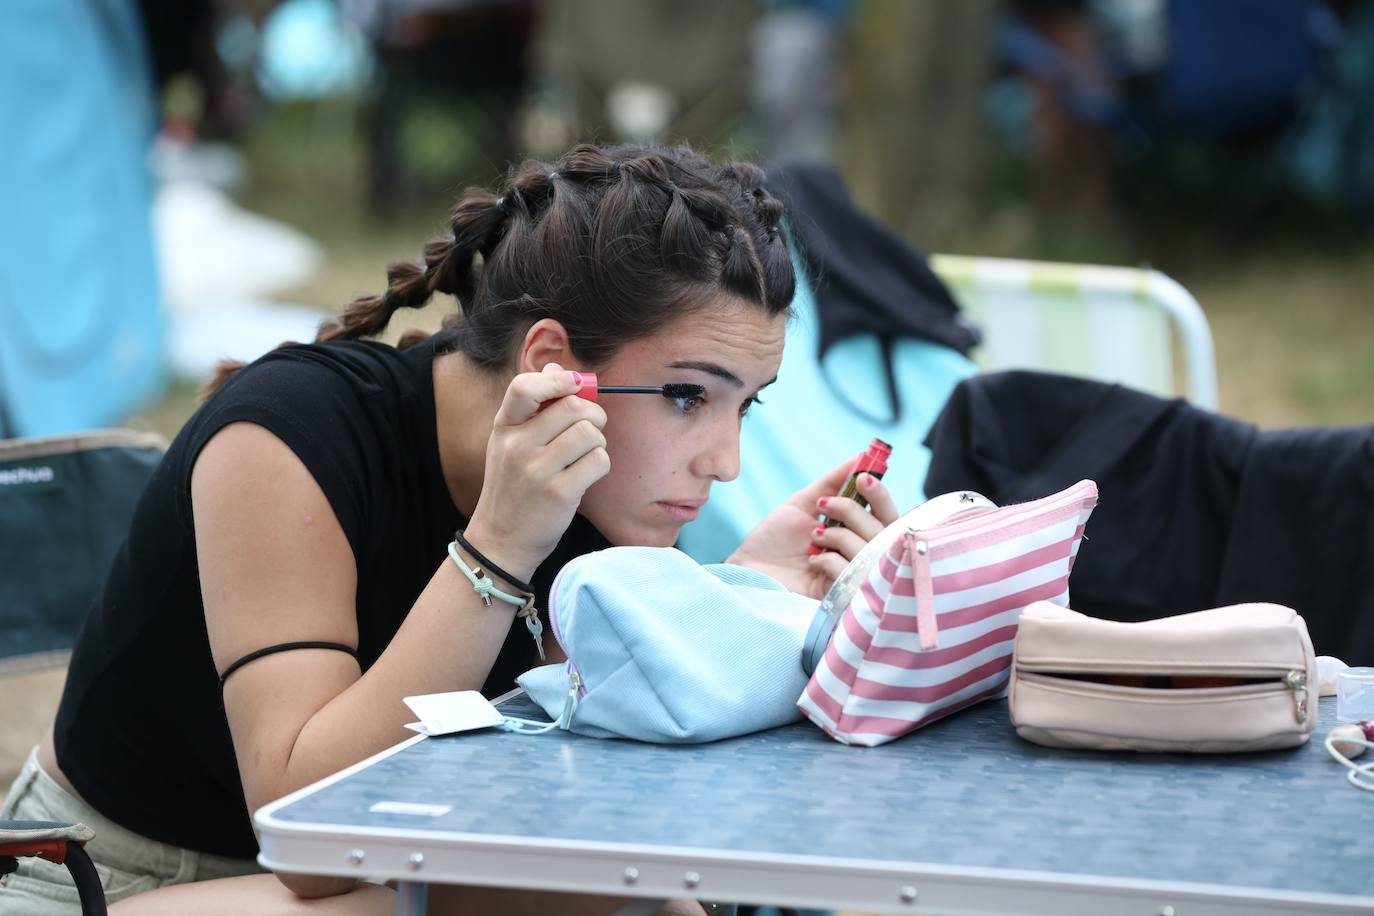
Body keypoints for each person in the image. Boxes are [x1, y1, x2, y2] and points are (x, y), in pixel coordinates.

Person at [0, 142, 898, 915]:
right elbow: (314, 836)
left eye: (748, 405)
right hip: (105, 879)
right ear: (554, 367)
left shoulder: (603, 488)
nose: (726, 463)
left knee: (636, 896)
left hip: (383, 880)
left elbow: (577, 780)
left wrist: (747, 599)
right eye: (688, 397)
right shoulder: (282, 436)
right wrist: (499, 548)